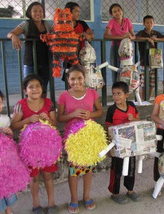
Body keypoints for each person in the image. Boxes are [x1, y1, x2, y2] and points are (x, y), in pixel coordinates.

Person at [57, 64, 103, 213]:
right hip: (73, 139)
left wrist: (91, 115)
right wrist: (72, 115)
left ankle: (86, 196)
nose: (76, 82)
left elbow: (100, 111)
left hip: (89, 137)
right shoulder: (64, 96)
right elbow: (60, 118)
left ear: (84, 78)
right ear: (68, 80)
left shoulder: (92, 93)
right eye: (72, 79)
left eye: (79, 78)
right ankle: (74, 199)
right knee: (74, 169)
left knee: (88, 168)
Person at [11, 75, 57, 214]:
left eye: (38, 86)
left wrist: (48, 119)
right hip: (29, 150)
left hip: (47, 148)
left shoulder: (49, 103)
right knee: (34, 177)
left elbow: (55, 124)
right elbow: (14, 125)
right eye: (31, 87)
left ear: (42, 88)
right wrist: (28, 120)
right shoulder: (21, 105)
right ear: (25, 90)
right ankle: (36, 204)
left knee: (48, 176)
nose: (35, 89)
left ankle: (51, 203)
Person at [105, 81, 142, 204]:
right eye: (114, 94)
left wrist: (133, 119)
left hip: (131, 144)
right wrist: (109, 147)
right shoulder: (111, 110)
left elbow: (139, 120)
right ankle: (115, 193)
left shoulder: (131, 105)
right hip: (117, 146)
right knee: (117, 169)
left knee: (131, 167)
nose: (115, 97)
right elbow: (108, 128)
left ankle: (130, 190)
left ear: (127, 95)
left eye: (119, 94)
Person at [7, 2, 53, 97]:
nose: (38, 13)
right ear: (29, 13)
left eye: (40, 11)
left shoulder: (47, 24)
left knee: (43, 89)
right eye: (35, 11)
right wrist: (13, 36)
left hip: (45, 62)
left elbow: (57, 34)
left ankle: (42, 109)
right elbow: (10, 33)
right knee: (29, 88)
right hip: (30, 62)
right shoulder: (26, 24)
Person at [135, 15, 164, 100]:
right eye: (147, 22)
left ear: (153, 23)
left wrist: (156, 39)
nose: (149, 24)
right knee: (143, 82)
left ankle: (148, 99)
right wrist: (147, 39)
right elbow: (135, 38)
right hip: (144, 61)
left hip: (154, 62)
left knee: (152, 83)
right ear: (143, 23)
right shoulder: (141, 33)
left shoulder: (155, 33)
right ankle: (143, 100)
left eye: (151, 22)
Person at [61, 2, 95, 86]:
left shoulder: (82, 24)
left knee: (83, 79)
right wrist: (80, 35)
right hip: (70, 58)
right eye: (76, 11)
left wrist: (87, 35)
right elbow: (66, 38)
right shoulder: (63, 25)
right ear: (69, 12)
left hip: (83, 57)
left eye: (79, 11)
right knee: (71, 80)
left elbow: (91, 35)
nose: (78, 13)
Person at [103, 3, 135, 82]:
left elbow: (134, 36)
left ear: (122, 11)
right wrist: (121, 37)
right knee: (115, 69)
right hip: (115, 48)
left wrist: (131, 37)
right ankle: (116, 88)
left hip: (126, 50)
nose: (117, 13)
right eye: (114, 12)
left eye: (119, 10)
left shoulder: (127, 21)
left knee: (127, 69)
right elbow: (106, 36)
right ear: (112, 14)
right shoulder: (112, 22)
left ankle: (125, 88)